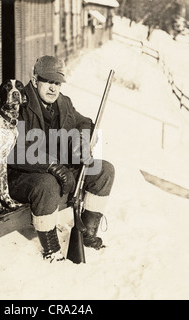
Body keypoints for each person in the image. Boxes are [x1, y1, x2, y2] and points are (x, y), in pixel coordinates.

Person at [7, 55, 115, 262]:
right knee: (47, 183)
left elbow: (84, 121)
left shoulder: (63, 102)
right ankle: (51, 249)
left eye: (57, 83)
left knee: (104, 171)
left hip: (57, 170)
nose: (53, 88)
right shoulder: (18, 103)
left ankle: (86, 234)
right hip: (22, 175)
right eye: (47, 81)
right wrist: (52, 166)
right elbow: (12, 149)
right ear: (34, 78)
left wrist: (81, 141)